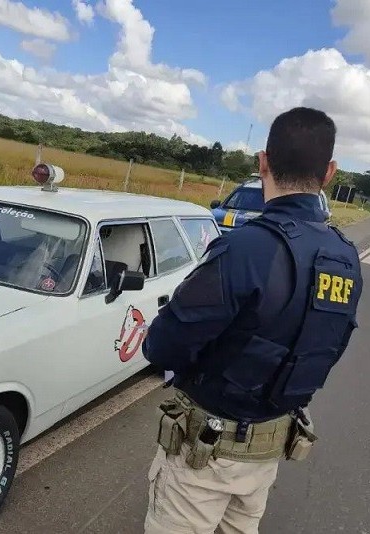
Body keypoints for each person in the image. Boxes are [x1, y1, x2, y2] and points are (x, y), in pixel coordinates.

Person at [142, 106, 363, 534]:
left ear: (263, 161)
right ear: (330, 172)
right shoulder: (345, 258)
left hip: (205, 453)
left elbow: (162, 346)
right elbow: (327, 348)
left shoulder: (245, 249)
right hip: (268, 449)